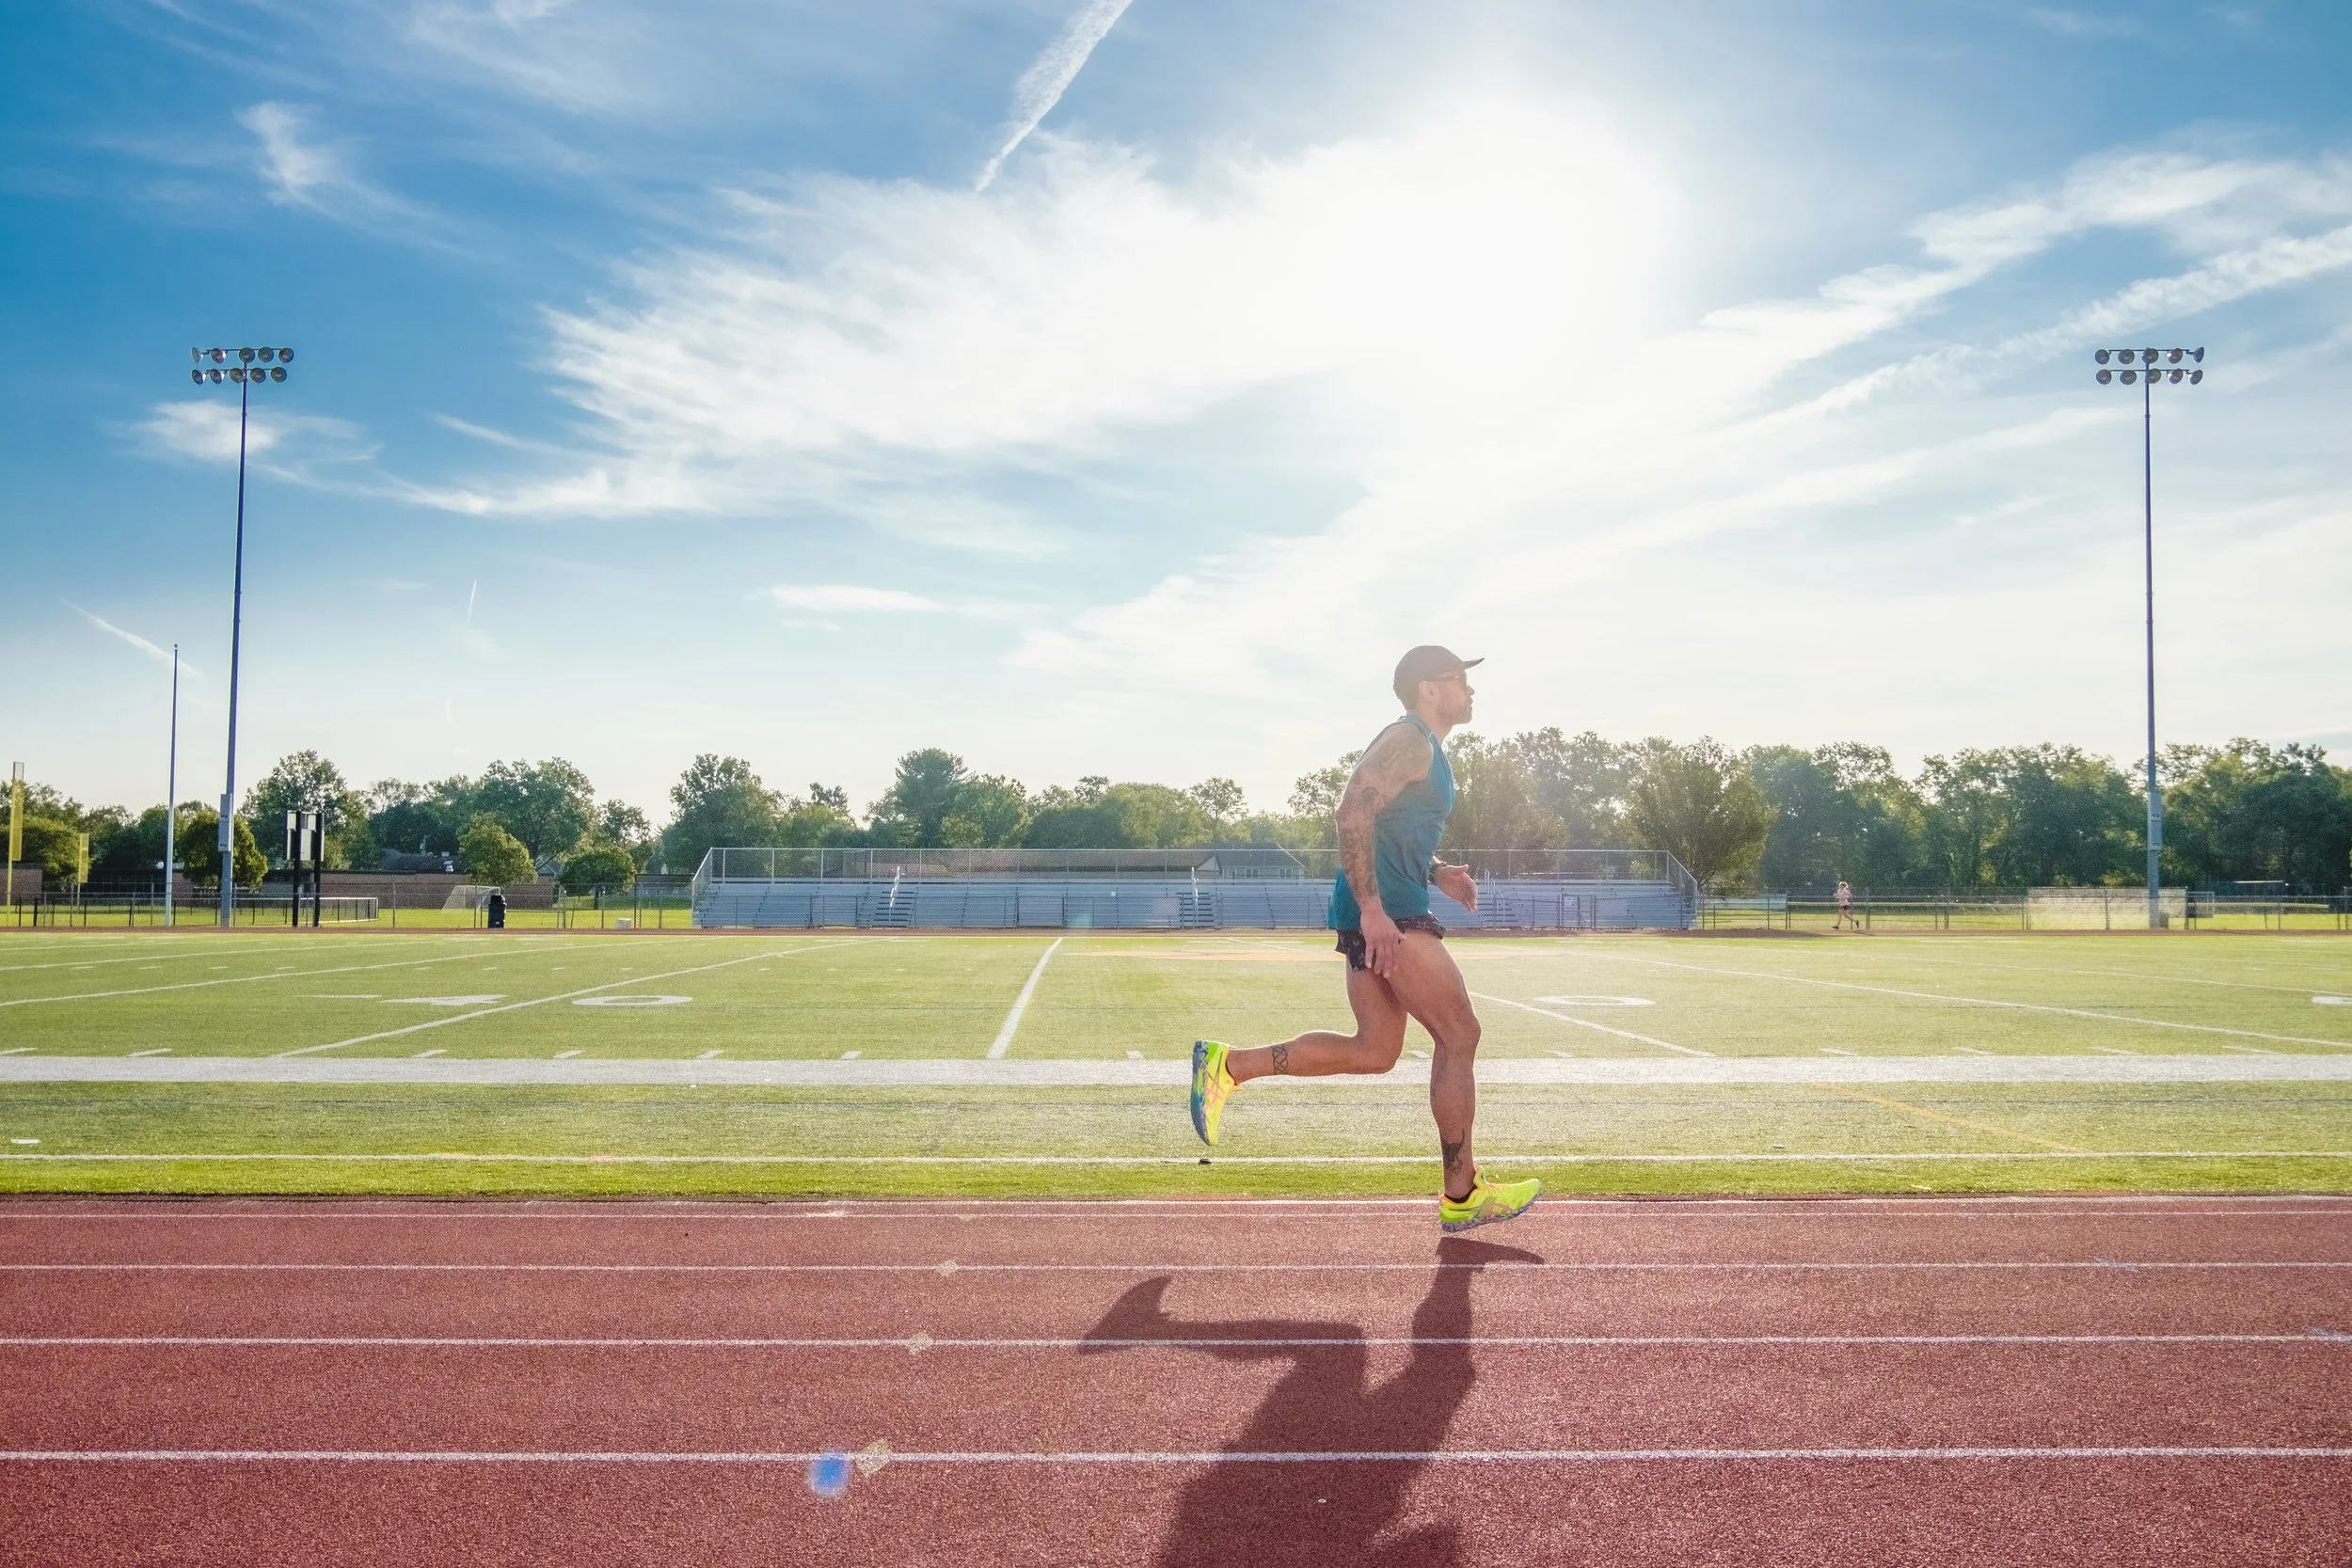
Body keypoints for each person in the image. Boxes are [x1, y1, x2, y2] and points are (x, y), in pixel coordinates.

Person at [1188, 645, 1541, 1232]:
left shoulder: (1424, 749)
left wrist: (1437, 871)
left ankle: (1228, 1066)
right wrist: (1376, 911)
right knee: (1460, 1034)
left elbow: (1391, 831)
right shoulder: (1410, 741)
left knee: (1375, 1051)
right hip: (1388, 914)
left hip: (1380, 905)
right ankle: (1463, 1192)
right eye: (1460, 680)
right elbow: (1352, 813)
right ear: (1429, 689)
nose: (1471, 691)